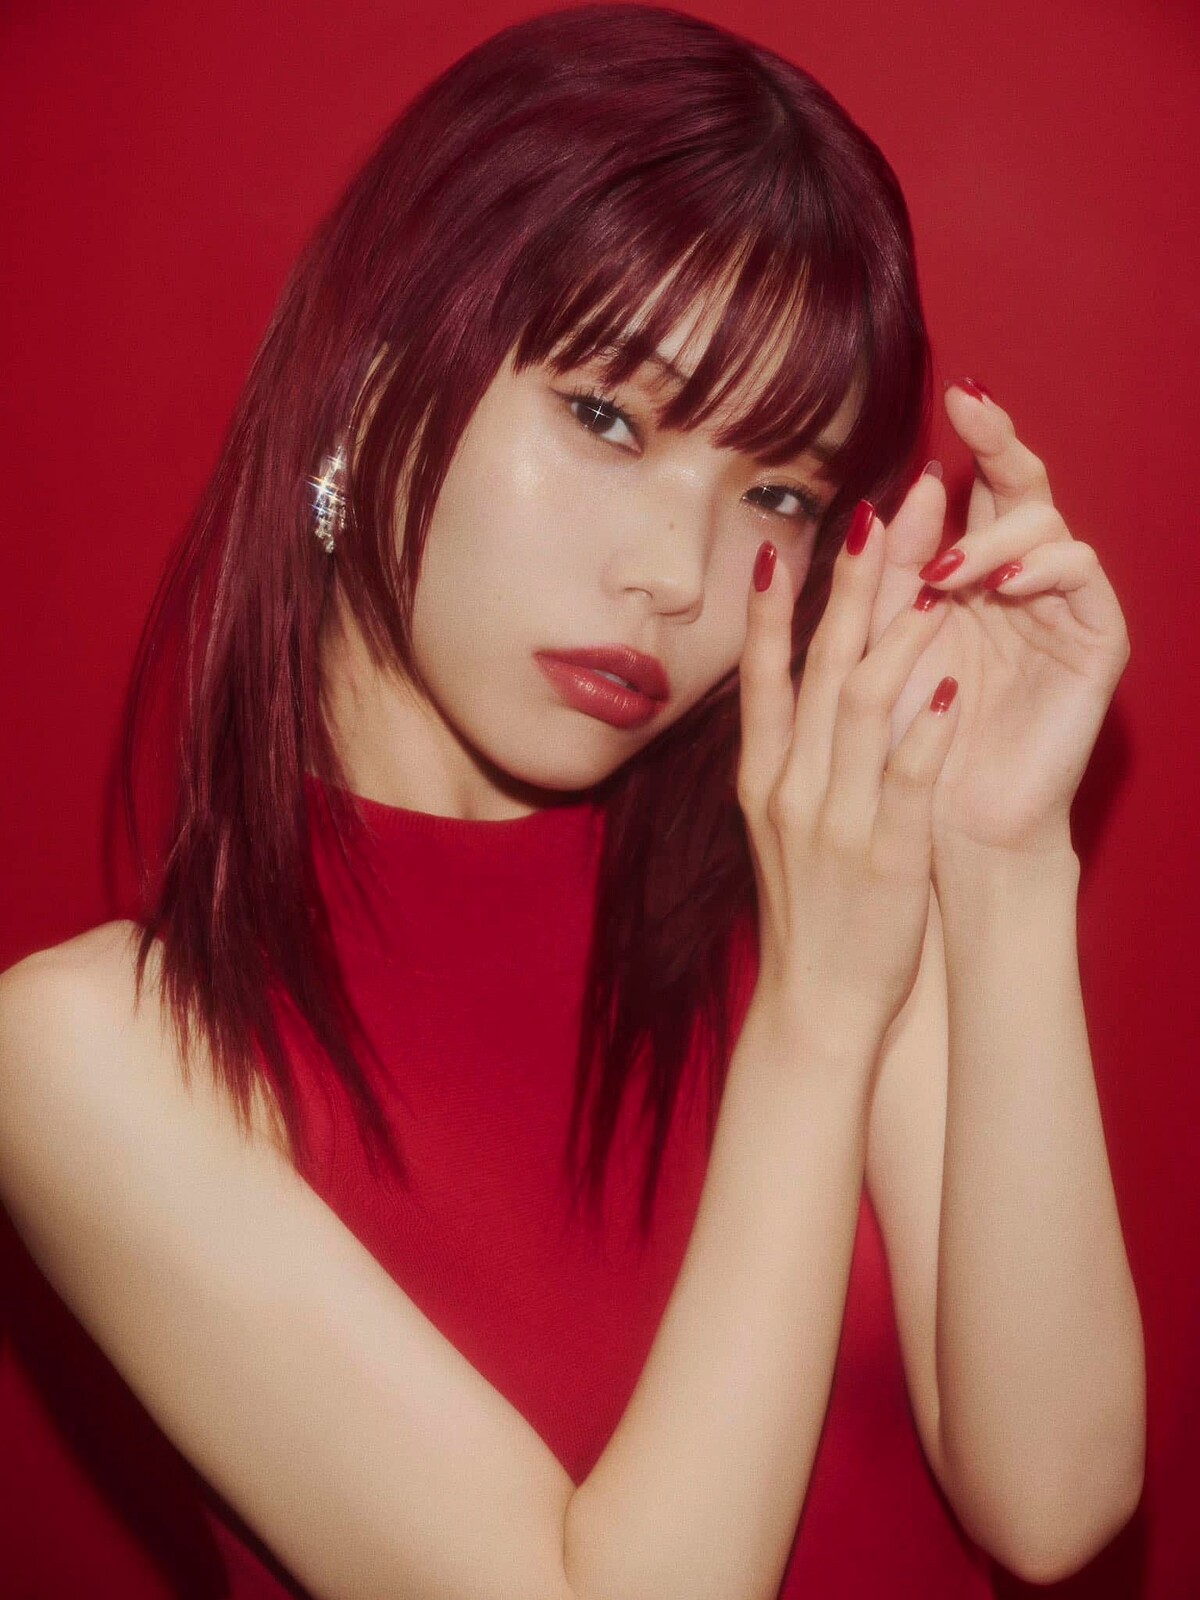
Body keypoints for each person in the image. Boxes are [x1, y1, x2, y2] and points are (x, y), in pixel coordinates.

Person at [0, 5, 1145, 1597]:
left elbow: (1056, 1498)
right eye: (608, 418)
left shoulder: (814, 873)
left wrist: (1004, 862)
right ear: (368, 380)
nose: (678, 574)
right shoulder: (97, 1052)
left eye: (778, 492)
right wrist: (818, 1023)